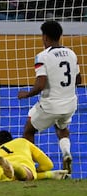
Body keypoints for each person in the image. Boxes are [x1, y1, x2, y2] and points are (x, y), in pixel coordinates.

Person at [18, 20, 82, 175]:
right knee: (62, 128)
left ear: (45, 37)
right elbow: (78, 80)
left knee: (28, 131)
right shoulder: (71, 54)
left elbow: (40, 84)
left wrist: (26, 94)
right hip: (70, 104)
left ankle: (29, 167)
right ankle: (66, 153)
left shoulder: (42, 57)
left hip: (51, 105)